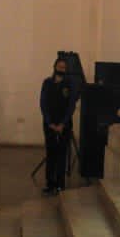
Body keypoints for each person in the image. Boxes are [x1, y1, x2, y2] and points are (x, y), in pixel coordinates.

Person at [39, 57, 79, 196]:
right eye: (59, 66)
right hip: (49, 124)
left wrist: (62, 123)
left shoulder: (70, 84)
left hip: (64, 125)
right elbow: (43, 103)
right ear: (54, 66)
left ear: (66, 70)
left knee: (62, 154)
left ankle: (60, 185)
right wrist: (49, 122)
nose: (61, 69)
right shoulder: (47, 83)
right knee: (51, 154)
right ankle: (50, 184)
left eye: (64, 67)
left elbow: (71, 105)